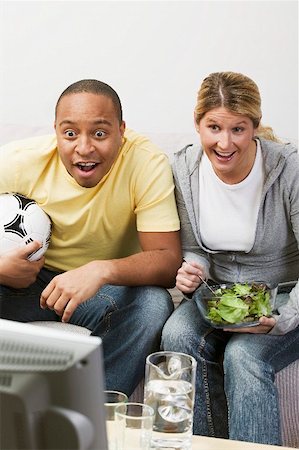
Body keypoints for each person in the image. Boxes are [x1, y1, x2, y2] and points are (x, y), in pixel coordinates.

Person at [0, 79, 182, 396]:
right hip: (28, 281)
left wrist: (101, 270)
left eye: (100, 133)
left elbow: (167, 260)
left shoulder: (146, 163)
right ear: (55, 130)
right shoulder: (19, 161)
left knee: (152, 305)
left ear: (121, 130)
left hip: (100, 291)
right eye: (70, 134)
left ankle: (87, 416)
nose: (84, 148)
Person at [161, 71, 299, 445]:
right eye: (214, 127)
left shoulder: (289, 169)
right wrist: (193, 270)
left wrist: (282, 319)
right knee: (175, 334)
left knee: (244, 356)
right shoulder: (183, 169)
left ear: (253, 126)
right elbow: (192, 246)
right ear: (197, 124)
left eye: (238, 129)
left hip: (283, 295)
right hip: (218, 295)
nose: (224, 143)